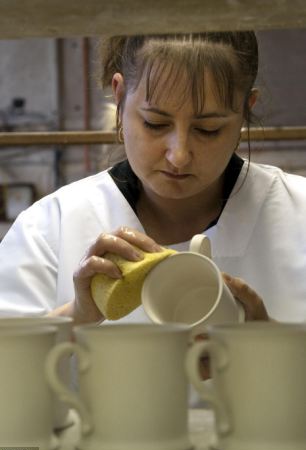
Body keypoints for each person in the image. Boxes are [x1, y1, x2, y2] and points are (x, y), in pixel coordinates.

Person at [0, 31, 305, 331]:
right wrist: (77, 314)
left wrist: (273, 344)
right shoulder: (50, 229)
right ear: (119, 96)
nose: (179, 155)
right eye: (155, 124)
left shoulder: (297, 215)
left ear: (245, 111)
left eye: (209, 129)